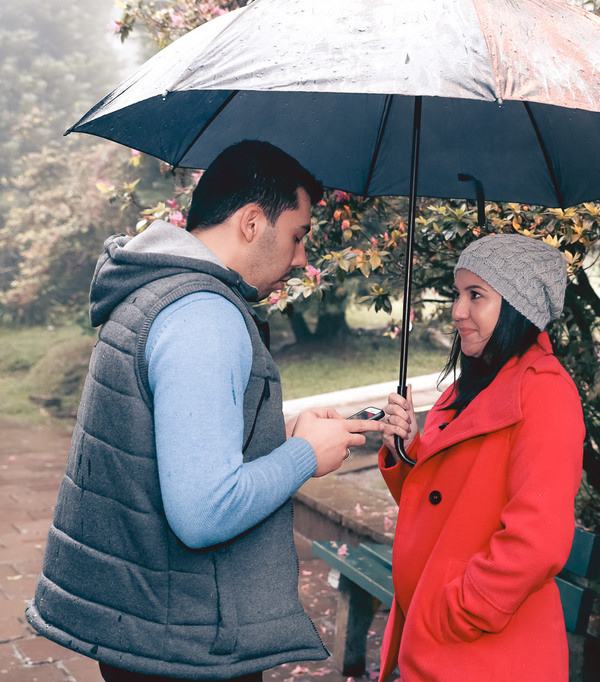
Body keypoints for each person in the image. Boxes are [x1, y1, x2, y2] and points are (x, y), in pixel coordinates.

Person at [26, 141, 400, 682]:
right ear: (252, 221)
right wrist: (302, 456)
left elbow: (165, 446)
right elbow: (203, 514)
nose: (301, 260)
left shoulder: (155, 289)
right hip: (184, 642)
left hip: (145, 622)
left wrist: (281, 433)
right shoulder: (204, 315)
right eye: (297, 236)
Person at [375, 234, 585, 681]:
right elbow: (441, 502)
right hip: (438, 642)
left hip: (488, 652)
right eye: (457, 293)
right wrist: (407, 447)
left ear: (517, 306)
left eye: (476, 295)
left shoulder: (545, 392)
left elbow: (538, 540)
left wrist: (457, 610)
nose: (457, 311)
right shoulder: (468, 388)